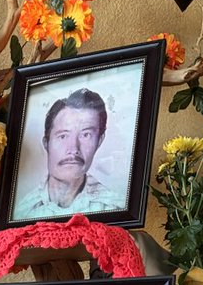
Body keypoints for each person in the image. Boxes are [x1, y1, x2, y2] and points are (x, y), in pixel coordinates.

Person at [13, 88, 124, 219]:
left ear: (99, 141)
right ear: (46, 143)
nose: (73, 148)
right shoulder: (21, 212)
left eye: (86, 135)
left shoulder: (115, 208)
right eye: (63, 136)